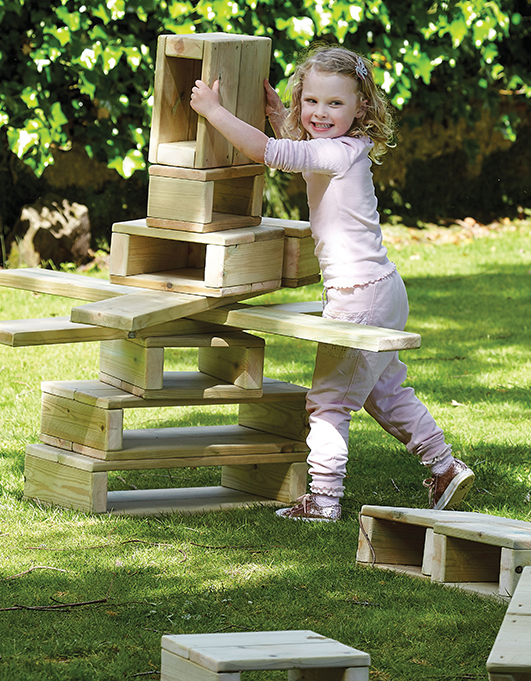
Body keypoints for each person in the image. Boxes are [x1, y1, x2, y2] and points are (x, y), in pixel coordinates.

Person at [190, 45, 474, 522]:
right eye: (311, 101)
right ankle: (444, 468)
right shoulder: (343, 149)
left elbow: (269, 152)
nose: (320, 113)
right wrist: (281, 113)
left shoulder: (336, 152)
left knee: (326, 404)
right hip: (382, 289)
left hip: (358, 298)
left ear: (361, 107)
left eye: (335, 104)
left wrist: (213, 111)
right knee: (385, 392)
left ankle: (322, 500)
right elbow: (299, 148)